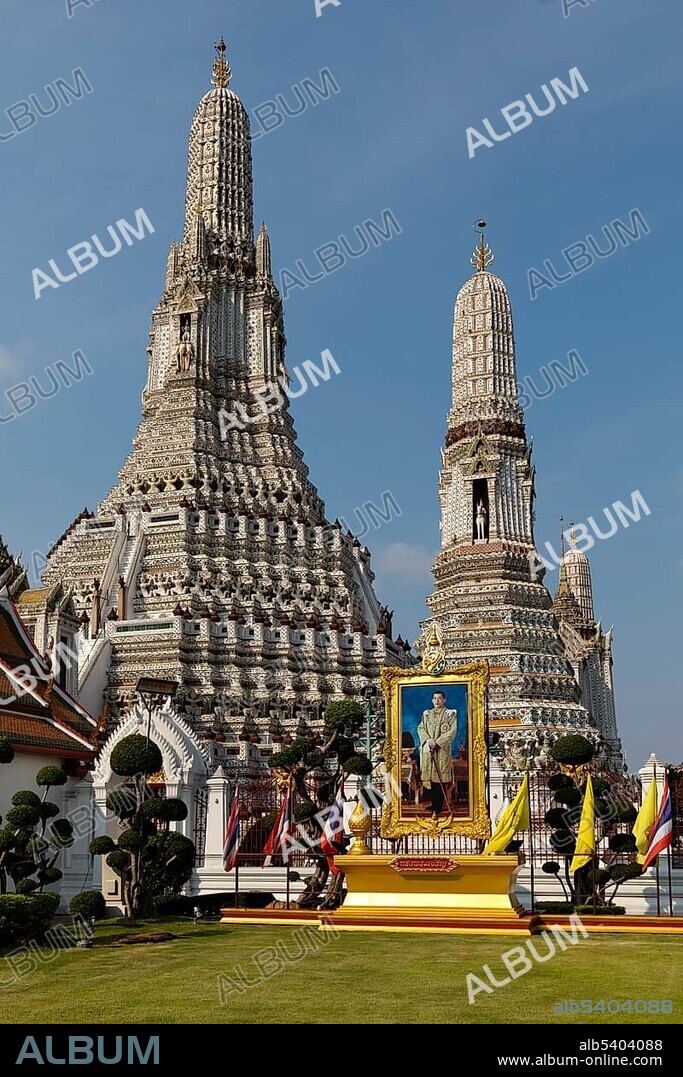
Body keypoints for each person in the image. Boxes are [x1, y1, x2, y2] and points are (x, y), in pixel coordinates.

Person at [417, 691, 458, 814]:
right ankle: (434, 804)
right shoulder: (427, 714)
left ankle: (439, 806)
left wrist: (438, 742)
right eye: (434, 698)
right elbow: (421, 728)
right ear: (432, 700)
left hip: (442, 750)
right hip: (429, 749)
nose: (437, 701)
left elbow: (452, 731)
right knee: (431, 778)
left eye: (439, 698)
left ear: (444, 700)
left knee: (439, 778)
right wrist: (428, 740)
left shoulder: (450, 714)